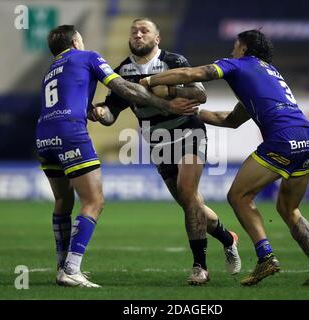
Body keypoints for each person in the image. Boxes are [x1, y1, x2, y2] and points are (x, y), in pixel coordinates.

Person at [139, 29, 309, 287]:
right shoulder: (267, 75)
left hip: (283, 140)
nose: (231, 51)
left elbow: (191, 73)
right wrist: (194, 114)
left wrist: (150, 81)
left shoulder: (240, 65)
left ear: (244, 48)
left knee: (238, 196)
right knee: (289, 209)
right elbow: (231, 120)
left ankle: (266, 257)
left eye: (235, 46)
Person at [36, 24, 200, 288]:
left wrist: (97, 111)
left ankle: (61, 266)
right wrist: (166, 104)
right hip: (69, 133)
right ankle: (71, 268)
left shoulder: (49, 70)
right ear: (76, 41)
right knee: (94, 201)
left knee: (62, 201)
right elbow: (123, 88)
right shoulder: (87, 56)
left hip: (44, 136)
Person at [91, 18, 241, 285]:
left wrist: (169, 89)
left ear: (156, 39)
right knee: (190, 202)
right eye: (134, 31)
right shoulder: (122, 72)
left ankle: (200, 267)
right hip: (157, 143)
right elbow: (113, 111)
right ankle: (228, 238)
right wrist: (100, 112)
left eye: (144, 31)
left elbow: (200, 94)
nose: (138, 35)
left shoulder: (174, 61)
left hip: (188, 132)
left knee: (187, 191)